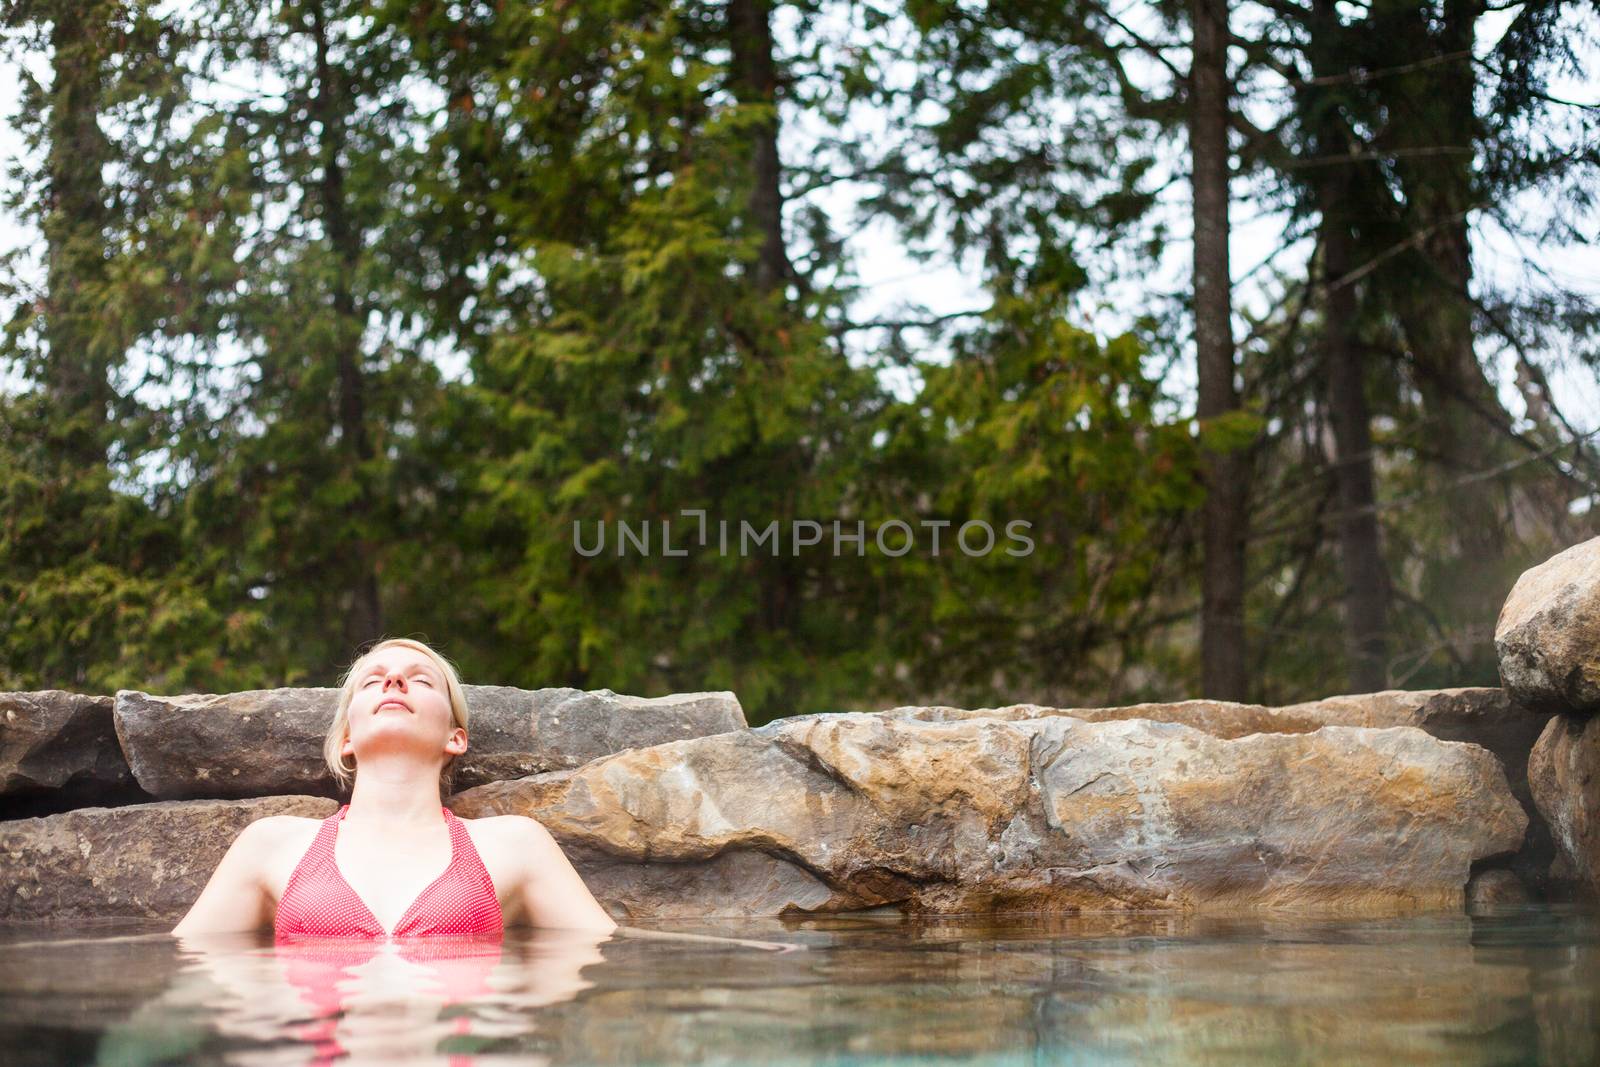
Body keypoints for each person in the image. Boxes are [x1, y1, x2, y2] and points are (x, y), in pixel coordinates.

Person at [173, 637, 620, 939]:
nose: (394, 681)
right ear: (346, 737)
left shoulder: (516, 845)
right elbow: (182, 980)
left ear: (454, 736)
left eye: (422, 679)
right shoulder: (269, 845)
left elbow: (608, 969)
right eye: (373, 679)